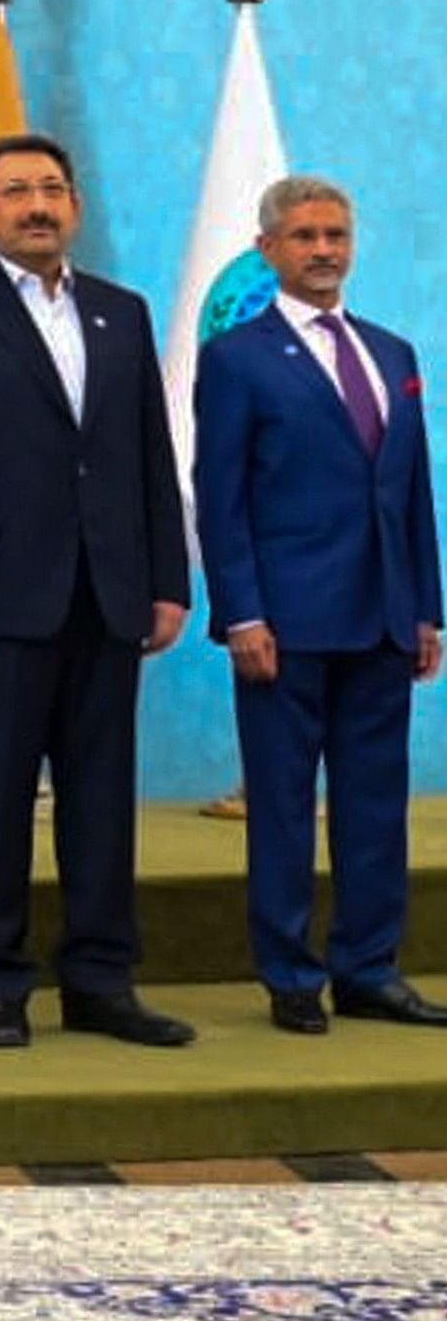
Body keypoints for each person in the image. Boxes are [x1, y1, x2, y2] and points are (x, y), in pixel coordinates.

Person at [0, 131, 191, 1049]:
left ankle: (101, 982)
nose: (37, 205)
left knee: (103, 798)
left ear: (76, 206)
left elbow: (148, 452)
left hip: (109, 592)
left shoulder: (120, 311)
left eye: (52, 189)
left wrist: (168, 579)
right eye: (15, 191)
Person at [189, 173, 447, 1034]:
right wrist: (243, 615)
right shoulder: (237, 358)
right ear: (268, 249)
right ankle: (292, 976)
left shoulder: (392, 353)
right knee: (285, 807)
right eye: (305, 236)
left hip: (381, 620)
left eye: (336, 234)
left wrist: (426, 610)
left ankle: (369, 969)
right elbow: (218, 494)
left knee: (376, 806)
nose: (324, 250)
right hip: (285, 626)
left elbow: (409, 495)